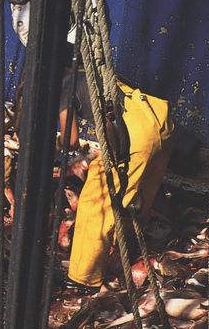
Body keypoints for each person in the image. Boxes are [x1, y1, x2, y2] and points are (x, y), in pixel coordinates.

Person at [59, 67, 174, 292]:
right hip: (160, 124)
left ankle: (84, 278)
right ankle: (124, 252)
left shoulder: (66, 85)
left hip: (136, 138)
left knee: (95, 205)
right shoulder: (96, 72)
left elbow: (69, 141)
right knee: (136, 198)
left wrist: (54, 147)